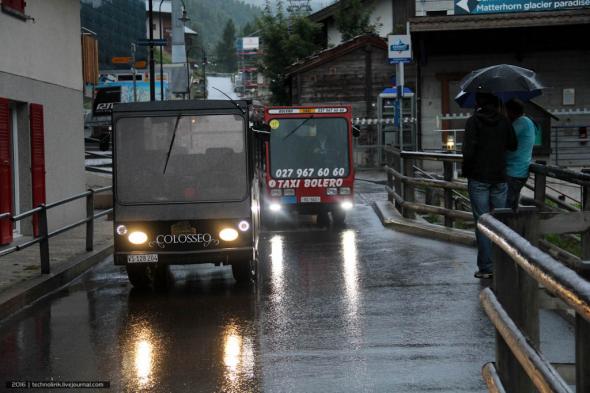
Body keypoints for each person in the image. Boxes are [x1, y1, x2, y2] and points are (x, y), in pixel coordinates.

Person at [462, 92, 517, 279]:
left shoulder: (473, 122)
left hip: (478, 177)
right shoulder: (504, 121)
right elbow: (513, 145)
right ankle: (502, 266)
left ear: (478, 104)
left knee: (482, 222)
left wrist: (466, 171)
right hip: (499, 177)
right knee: (500, 222)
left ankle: (486, 267)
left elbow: (468, 152)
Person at [505, 99, 536, 210]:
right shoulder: (527, 122)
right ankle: (512, 226)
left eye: (506, 111)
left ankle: (508, 227)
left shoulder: (521, 122)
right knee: (511, 205)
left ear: (512, 111)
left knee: (506, 207)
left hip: (514, 171)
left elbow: (505, 138)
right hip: (518, 170)